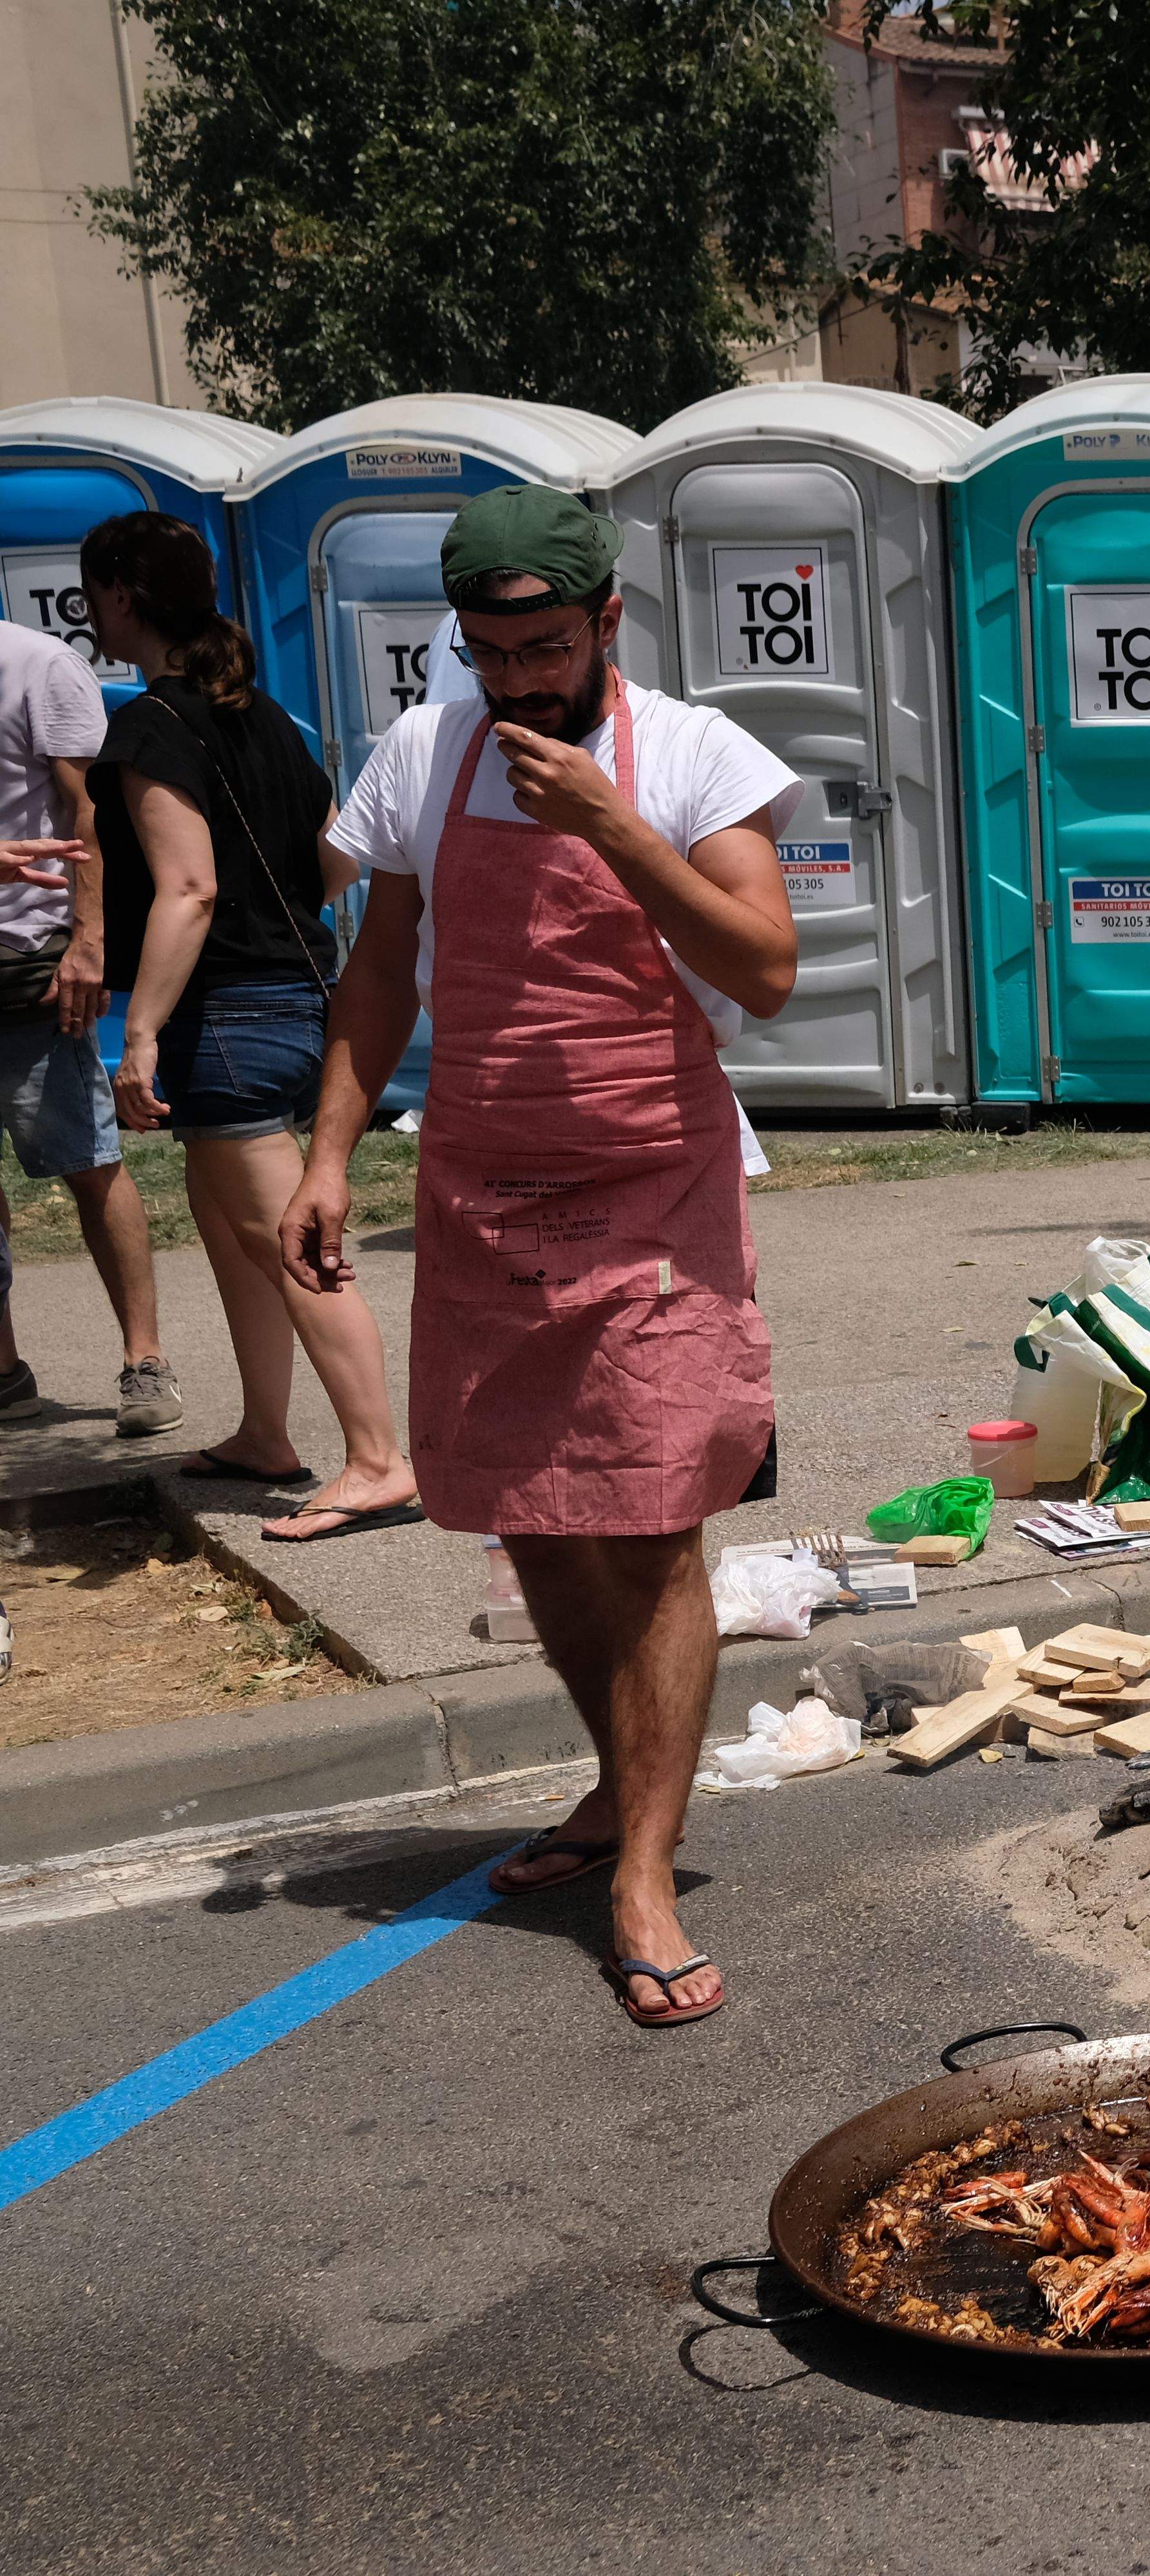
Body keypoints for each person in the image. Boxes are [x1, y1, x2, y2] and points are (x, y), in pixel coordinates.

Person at [279, 484, 799, 2031]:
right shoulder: (421, 758)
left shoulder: (698, 759)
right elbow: (381, 975)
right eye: (489, 649)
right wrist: (323, 1152)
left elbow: (762, 970)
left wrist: (612, 824)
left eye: (545, 647)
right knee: (543, 1523)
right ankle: (610, 1786)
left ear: (607, 627)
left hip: (651, 1188)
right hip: (486, 1188)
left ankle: (646, 1864)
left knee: (649, 1526)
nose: (514, 679)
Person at [68, 515, 410, 1541]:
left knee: (289, 1241)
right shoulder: (268, 721)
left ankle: (379, 1461)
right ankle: (268, 1434)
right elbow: (337, 863)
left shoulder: (151, 727)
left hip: (225, 1016)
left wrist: (139, 1039)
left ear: (122, 598)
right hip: (297, 1001)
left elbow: (190, 889)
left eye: (95, 594)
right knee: (233, 1232)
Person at [0, 611, 174, 1435]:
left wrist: (90, 940)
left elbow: (90, 814)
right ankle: (3, 1371)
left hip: (32, 961)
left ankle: (146, 1361)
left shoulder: (39, 666)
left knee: (88, 1161)